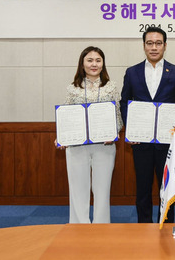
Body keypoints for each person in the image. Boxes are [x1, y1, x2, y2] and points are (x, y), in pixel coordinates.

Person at [120, 26, 175, 223]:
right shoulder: (132, 72)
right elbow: (125, 102)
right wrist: (131, 130)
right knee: (143, 187)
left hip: (167, 143)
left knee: (168, 188)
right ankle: (143, 226)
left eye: (158, 43)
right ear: (144, 46)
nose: (154, 47)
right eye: (150, 43)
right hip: (141, 142)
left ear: (165, 46)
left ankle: (166, 226)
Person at [57, 46, 123, 224]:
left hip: (105, 146)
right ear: (82, 63)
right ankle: (79, 226)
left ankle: (102, 226)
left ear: (103, 64)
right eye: (90, 60)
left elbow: (118, 116)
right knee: (78, 189)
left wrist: (114, 132)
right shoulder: (72, 88)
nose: (94, 64)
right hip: (77, 146)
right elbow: (66, 116)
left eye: (98, 60)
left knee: (102, 190)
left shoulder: (111, 87)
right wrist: (62, 136)